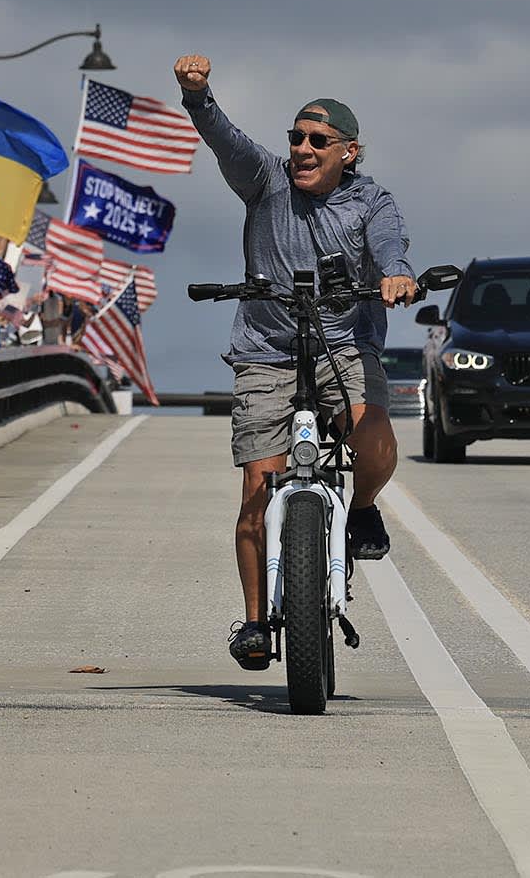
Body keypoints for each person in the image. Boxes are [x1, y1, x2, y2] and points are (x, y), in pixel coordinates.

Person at [173, 55, 419, 672]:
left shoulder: (372, 201)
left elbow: (390, 243)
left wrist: (394, 274)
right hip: (267, 349)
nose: (303, 149)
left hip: (344, 343)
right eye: (296, 138)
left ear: (350, 152)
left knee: (374, 435)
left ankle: (361, 509)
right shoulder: (266, 180)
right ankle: (255, 623)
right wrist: (198, 96)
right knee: (258, 485)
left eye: (318, 141)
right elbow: (226, 143)